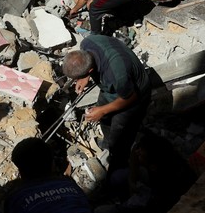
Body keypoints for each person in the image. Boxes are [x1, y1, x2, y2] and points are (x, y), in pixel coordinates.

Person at [62, 35, 151, 173]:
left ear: (90, 70)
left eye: (81, 76)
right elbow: (88, 63)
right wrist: (84, 77)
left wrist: (103, 110)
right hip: (110, 88)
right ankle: (108, 143)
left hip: (133, 95)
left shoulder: (116, 73)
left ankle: (118, 164)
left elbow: (131, 97)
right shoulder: (87, 43)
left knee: (121, 135)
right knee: (105, 119)